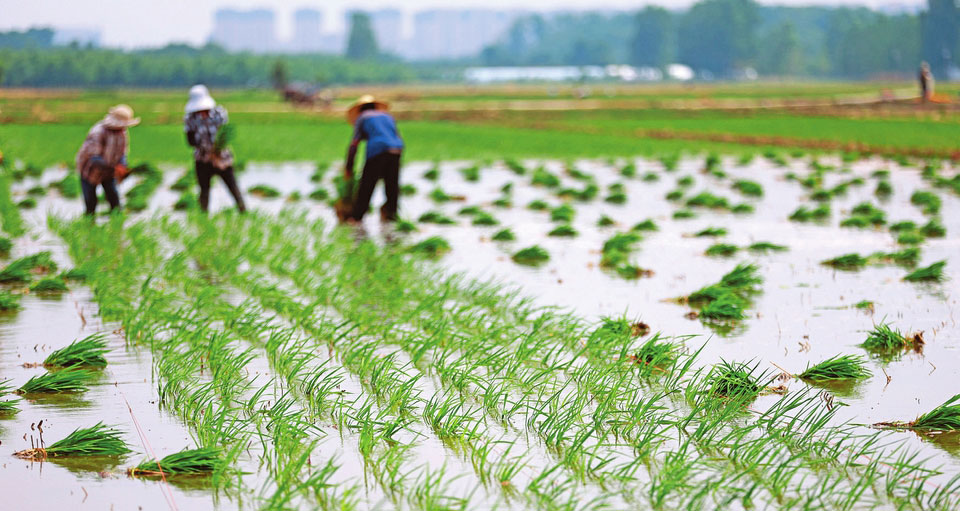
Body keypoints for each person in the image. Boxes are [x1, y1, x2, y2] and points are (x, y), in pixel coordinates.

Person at [184, 85, 246, 213]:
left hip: (222, 159)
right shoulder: (190, 118)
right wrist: (205, 149)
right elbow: (190, 141)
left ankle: (243, 211)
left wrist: (217, 150)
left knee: (233, 187)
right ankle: (203, 216)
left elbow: (224, 134)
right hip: (202, 159)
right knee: (204, 190)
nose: (202, 112)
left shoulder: (219, 114)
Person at [344, 95, 404, 223]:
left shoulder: (363, 117)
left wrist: (348, 167)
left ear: (360, 110)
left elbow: (354, 144)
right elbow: (397, 136)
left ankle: (356, 217)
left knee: (367, 184)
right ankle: (392, 215)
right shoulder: (387, 116)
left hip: (377, 151)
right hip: (396, 150)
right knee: (392, 185)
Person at [75, 104, 139, 215]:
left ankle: (117, 225)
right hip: (89, 170)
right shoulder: (98, 132)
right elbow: (94, 158)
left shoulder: (122, 132)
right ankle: (89, 225)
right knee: (91, 202)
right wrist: (115, 168)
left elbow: (122, 153)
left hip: (109, 172)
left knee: (114, 199)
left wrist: (123, 165)